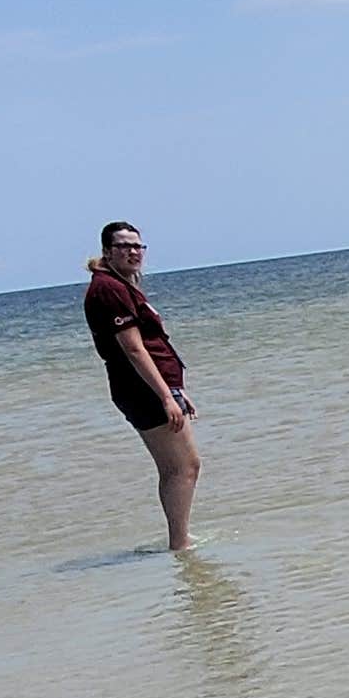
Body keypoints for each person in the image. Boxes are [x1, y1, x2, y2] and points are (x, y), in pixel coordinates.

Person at [82, 221, 200, 550]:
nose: (133, 252)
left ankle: (179, 538)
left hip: (151, 388)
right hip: (142, 391)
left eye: (138, 246)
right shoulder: (108, 289)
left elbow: (153, 343)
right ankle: (179, 544)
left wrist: (176, 389)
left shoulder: (121, 285)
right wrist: (166, 397)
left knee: (178, 466)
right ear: (107, 252)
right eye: (124, 246)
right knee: (183, 467)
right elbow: (133, 348)